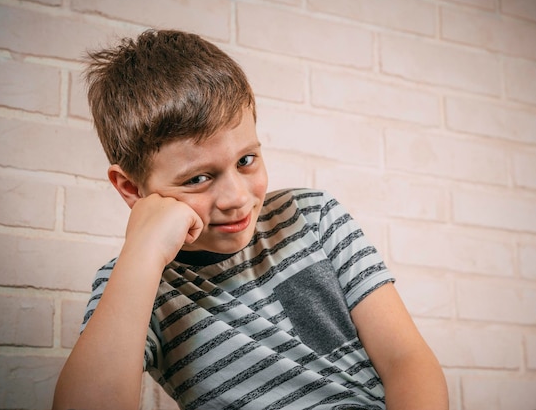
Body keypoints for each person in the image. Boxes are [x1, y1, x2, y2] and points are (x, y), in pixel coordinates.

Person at [53, 29, 448, 410]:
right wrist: (141, 253)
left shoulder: (313, 217)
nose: (238, 198)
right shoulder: (132, 284)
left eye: (246, 161)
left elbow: (407, 360)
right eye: (198, 178)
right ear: (132, 189)